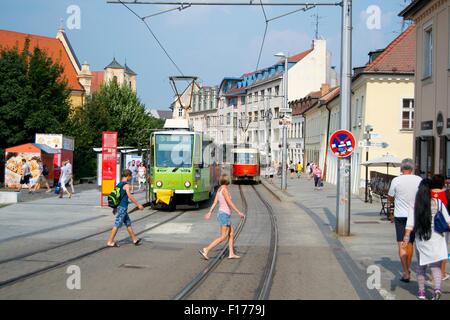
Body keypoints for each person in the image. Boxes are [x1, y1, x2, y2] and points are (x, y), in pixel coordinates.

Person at [403, 179, 450, 300]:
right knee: (436, 267)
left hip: (422, 238)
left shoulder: (414, 203)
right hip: (438, 238)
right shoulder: (438, 202)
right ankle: (437, 289)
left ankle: (422, 292)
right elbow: (448, 221)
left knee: (421, 266)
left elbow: (410, 223)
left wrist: (406, 238)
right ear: (430, 190)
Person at [387, 158, 422, 283]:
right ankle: (408, 268)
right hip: (414, 215)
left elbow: (390, 197)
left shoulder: (396, 180)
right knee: (410, 243)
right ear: (413, 168)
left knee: (401, 242)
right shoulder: (419, 180)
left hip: (400, 215)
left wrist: (391, 210)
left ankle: (406, 272)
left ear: (401, 169)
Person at [200, 174, 245, 260]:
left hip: (222, 214)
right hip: (224, 215)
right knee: (223, 237)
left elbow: (215, 202)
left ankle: (231, 253)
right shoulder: (224, 190)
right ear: (227, 181)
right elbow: (229, 203)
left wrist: (210, 212)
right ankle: (206, 249)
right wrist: (239, 212)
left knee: (231, 233)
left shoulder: (219, 189)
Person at [106, 169, 145, 247]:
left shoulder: (119, 184)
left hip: (120, 207)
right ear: (128, 176)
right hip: (122, 208)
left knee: (128, 223)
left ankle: (134, 239)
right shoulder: (126, 185)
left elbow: (117, 196)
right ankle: (110, 241)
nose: (131, 178)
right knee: (117, 224)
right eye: (131, 176)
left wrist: (114, 208)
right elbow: (130, 196)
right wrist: (138, 205)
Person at [429, 175, 450, 282]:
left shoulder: (427, 193)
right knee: (443, 249)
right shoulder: (447, 193)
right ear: (443, 183)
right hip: (443, 225)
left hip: (429, 225)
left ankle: (434, 273)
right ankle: (441, 273)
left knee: (432, 249)